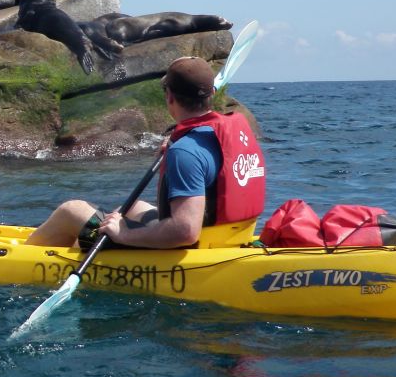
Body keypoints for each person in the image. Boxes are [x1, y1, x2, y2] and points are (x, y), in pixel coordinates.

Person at [25, 56, 266, 249]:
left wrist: (124, 234)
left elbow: (185, 231)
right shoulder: (227, 133)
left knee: (71, 210)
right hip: (226, 237)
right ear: (211, 94)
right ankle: (79, 246)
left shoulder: (185, 152)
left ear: (169, 97)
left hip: (192, 248)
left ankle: (23, 260)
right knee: (133, 207)